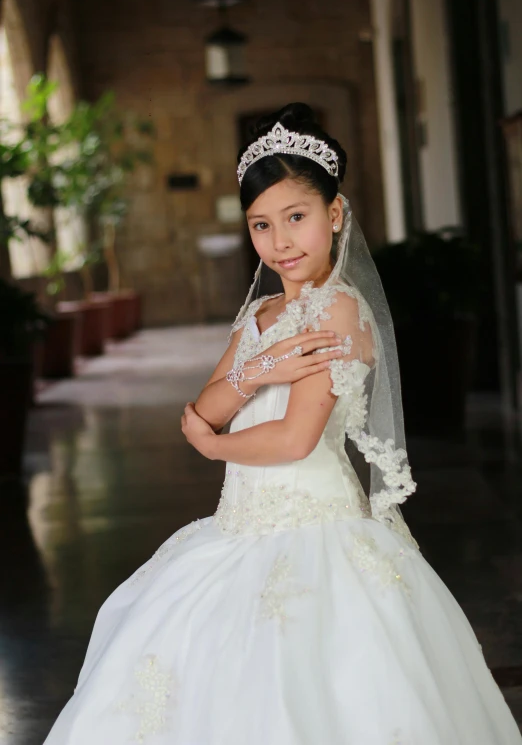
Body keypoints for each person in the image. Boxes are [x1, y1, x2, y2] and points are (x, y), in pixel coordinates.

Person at [42, 103, 522, 744]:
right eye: (261, 225)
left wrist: (215, 445)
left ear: (335, 214)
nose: (281, 242)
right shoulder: (261, 316)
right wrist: (259, 369)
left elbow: (293, 439)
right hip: (236, 528)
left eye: (296, 217)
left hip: (316, 531)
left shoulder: (340, 313)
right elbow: (203, 406)